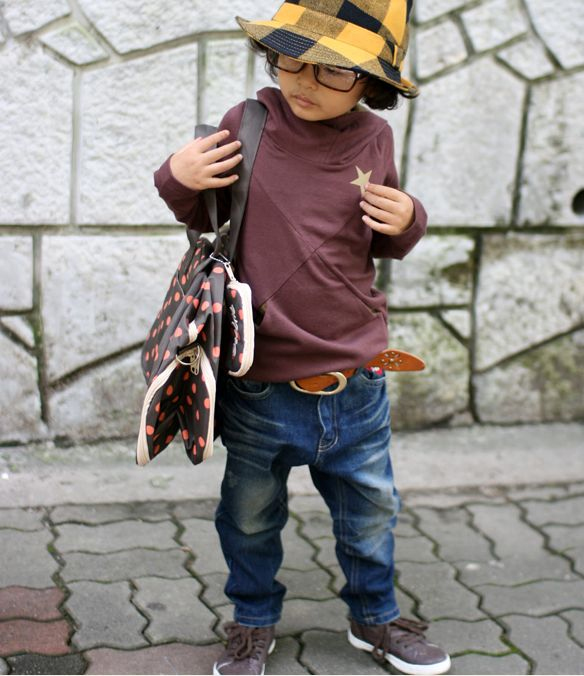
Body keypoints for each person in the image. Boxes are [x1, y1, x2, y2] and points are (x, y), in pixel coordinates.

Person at [153, 1, 451, 674]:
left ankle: (375, 617)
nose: (303, 81)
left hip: (358, 380)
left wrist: (409, 218)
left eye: (332, 70)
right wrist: (176, 178)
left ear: (371, 82)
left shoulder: (375, 139)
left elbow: (381, 237)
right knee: (250, 516)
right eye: (290, 60)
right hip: (260, 382)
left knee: (371, 512)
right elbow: (203, 212)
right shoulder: (247, 123)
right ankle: (253, 620)